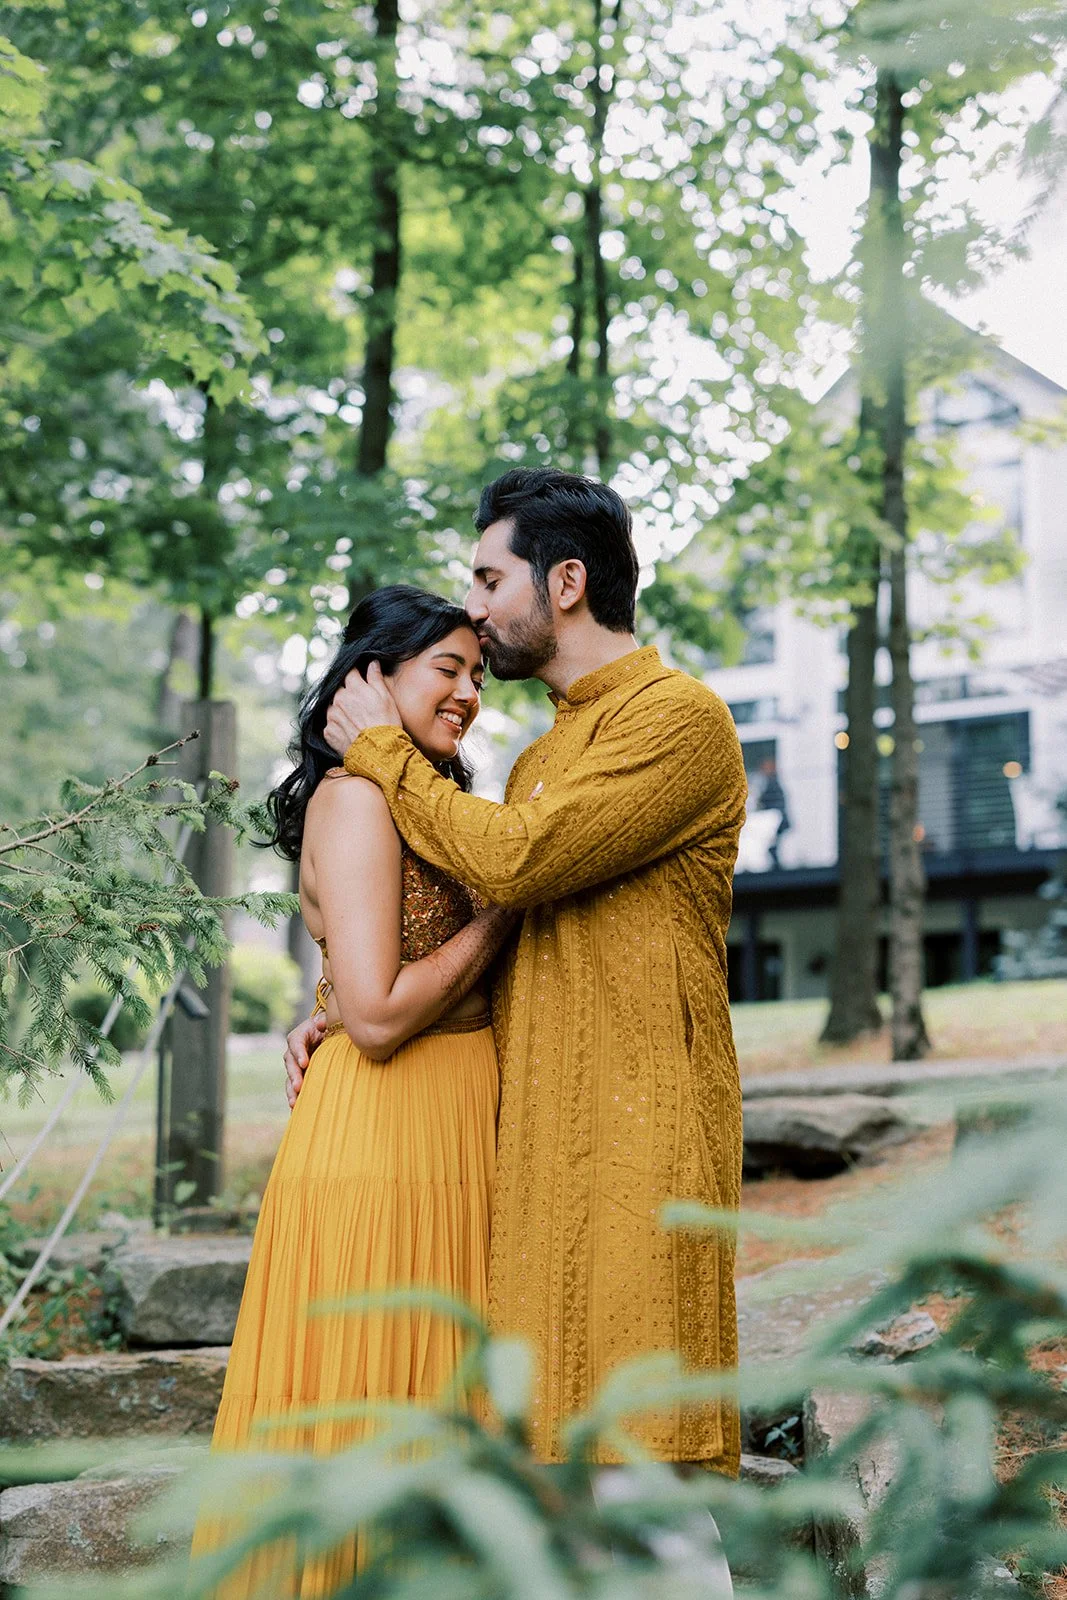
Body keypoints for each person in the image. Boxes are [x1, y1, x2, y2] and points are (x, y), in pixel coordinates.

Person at [287, 467, 748, 1474]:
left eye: (490, 579)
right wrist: (335, 1002)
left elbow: (516, 864)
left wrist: (380, 751)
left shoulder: (677, 719)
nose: (479, 607)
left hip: (640, 1135)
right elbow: (524, 939)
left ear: (566, 581)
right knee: (555, 1471)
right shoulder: (541, 758)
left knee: (643, 1466)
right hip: (531, 1144)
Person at [192, 586, 513, 1596]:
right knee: (385, 1397)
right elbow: (374, 1016)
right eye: (444, 668)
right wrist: (505, 913)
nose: (466, 691)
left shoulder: (428, 792)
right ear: (370, 679)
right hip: (391, 1132)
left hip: (459, 1117)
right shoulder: (357, 797)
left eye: (475, 673)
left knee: (450, 1401)